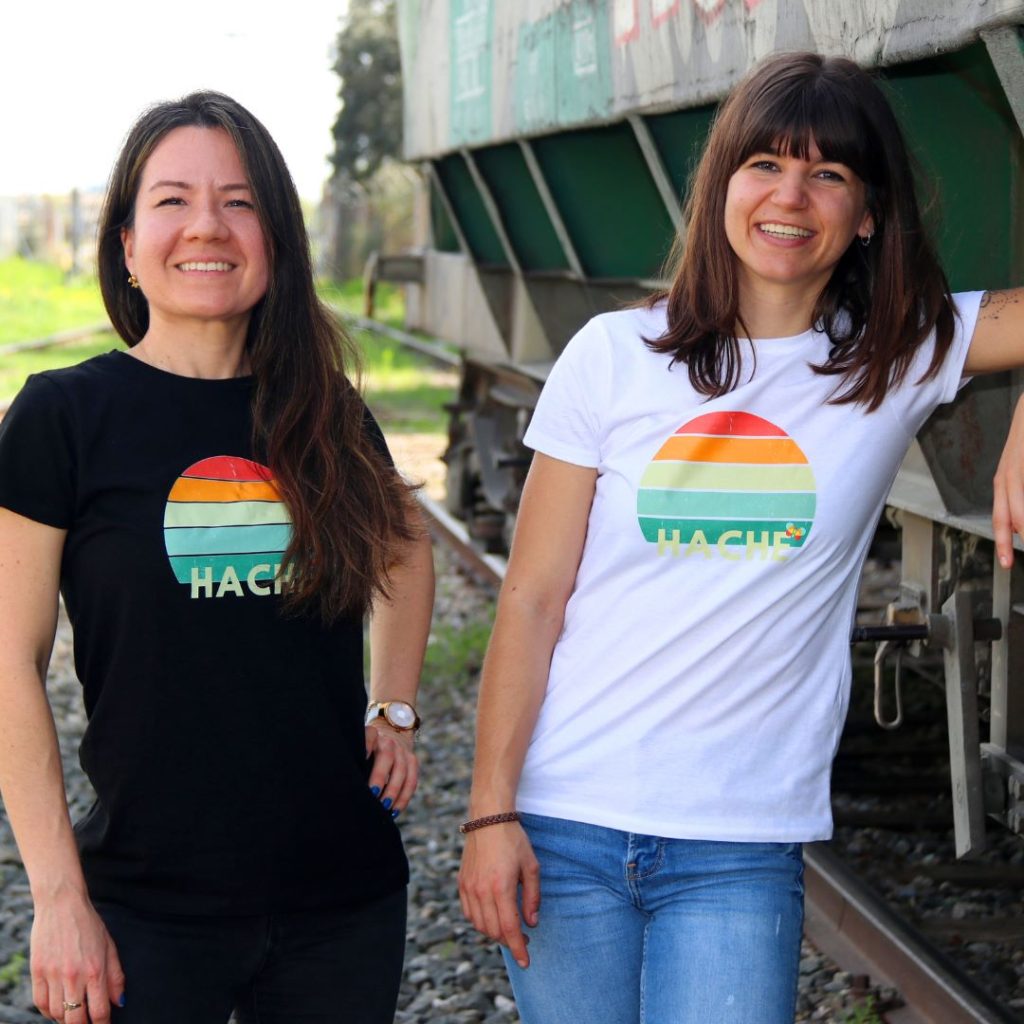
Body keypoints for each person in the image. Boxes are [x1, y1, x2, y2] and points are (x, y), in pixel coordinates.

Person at [457, 52, 1024, 1024]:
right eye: (763, 163)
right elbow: (533, 596)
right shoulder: (613, 357)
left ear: (869, 214)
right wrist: (489, 811)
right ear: (720, 183)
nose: (789, 195)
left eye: (829, 174)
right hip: (566, 821)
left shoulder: (892, 356)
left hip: (737, 845)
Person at [0, 91, 434, 1024]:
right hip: (144, 913)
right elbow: (8, 666)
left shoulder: (325, 412)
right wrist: (60, 899)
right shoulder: (61, 418)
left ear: (275, 237)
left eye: (240, 201)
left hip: (341, 906)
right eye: (172, 200)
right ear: (125, 243)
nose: (209, 225)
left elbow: (405, 543)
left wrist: (392, 703)